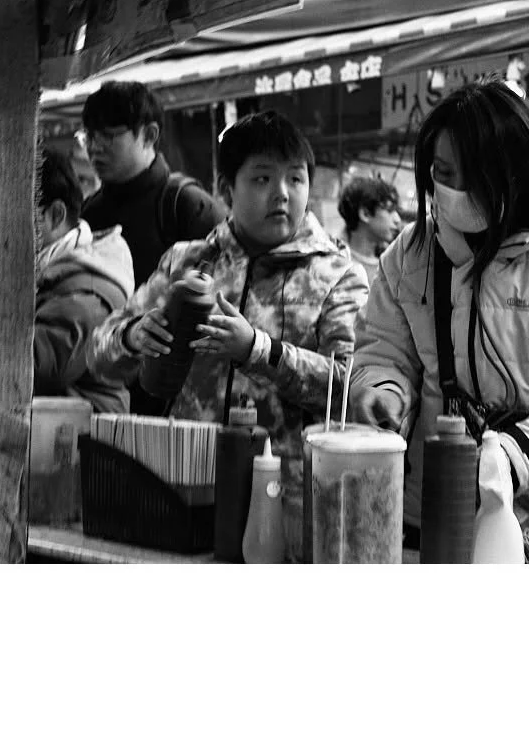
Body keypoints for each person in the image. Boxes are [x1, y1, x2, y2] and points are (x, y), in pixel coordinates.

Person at [349, 79, 529, 553]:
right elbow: (383, 349)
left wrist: (513, 455)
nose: (454, 191)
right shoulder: (411, 254)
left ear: (515, 171)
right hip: (432, 511)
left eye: (474, 175)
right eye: (443, 172)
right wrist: (382, 390)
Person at [89, 110, 369, 560]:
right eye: (261, 179)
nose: (281, 194)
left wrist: (259, 350)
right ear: (225, 190)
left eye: (295, 180)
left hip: (290, 510)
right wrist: (133, 336)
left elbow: (349, 390)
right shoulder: (189, 261)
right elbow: (98, 353)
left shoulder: (337, 275)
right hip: (185, 497)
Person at [79, 80, 223, 414]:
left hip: (177, 402)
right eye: (90, 136)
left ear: (150, 134)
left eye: (110, 135)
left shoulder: (187, 205)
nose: (95, 148)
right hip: (104, 390)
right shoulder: (89, 212)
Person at [33, 149, 135, 413]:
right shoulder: (53, 270)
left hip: (84, 443)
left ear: (55, 215)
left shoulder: (88, 288)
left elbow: (38, 366)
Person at [337, 174, 403, 286]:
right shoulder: (337, 266)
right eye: (389, 210)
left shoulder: (392, 263)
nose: (397, 219)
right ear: (365, 214)